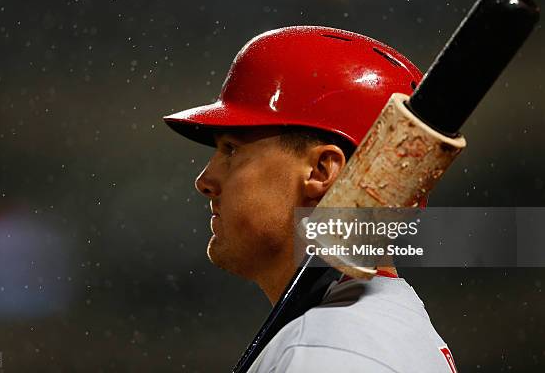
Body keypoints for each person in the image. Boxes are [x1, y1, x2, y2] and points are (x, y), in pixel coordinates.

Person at [163, 26, 458, 372]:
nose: (205, 181)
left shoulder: (328, 348)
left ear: (321, 170)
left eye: (231, 150)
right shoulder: (374, 329)